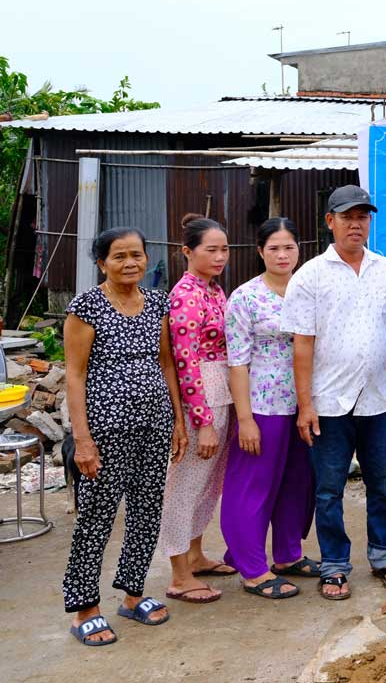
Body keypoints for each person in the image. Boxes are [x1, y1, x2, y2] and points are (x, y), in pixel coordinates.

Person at [281, 185, 386, 600]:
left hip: (378, 399)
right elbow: (303, 343)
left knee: (382, 485)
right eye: (347, 216)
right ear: (330, 221)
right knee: (329, 489)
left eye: (363, 216)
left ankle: (385, 555)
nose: (356, 223)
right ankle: (334, 565)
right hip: (328, 402)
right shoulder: (310, 276)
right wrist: (305, 406)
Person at [61, 227, 188, 646]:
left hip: (154, 425)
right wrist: (82, 439)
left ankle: (133, 596)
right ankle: (85, 608)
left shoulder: (156, 303)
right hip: (105, 429)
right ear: (102, 262)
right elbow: (75, 376)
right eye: (119, 256)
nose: (130, 262)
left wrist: (177, 420)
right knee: (96, 517)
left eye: (136, 254)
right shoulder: (87, 307)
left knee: (147, 511)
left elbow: (166, 364)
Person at [220, 217, 319, 599]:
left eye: (289, 247)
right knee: (253, 487)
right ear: (260, 251)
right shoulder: (245, 297)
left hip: (305, 403)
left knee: (297, 483)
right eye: (274, 248)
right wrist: (244, 419)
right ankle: (252, 568)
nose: (282, 255)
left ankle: (288, 555)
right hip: (262, 406)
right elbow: (237, 361)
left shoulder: (308, 290)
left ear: (299, 250)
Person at [161, 215, 235, 604]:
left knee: (207, 484)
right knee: (183, 487)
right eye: (212, 249)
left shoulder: (214, 290)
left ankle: (195, 554)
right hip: (199, 398)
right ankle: (178, 574)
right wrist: (202, 422)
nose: (220, 256)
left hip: (220, 390)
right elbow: (184, 361)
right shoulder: (187, 294)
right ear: (188, 252)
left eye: (224, 249)